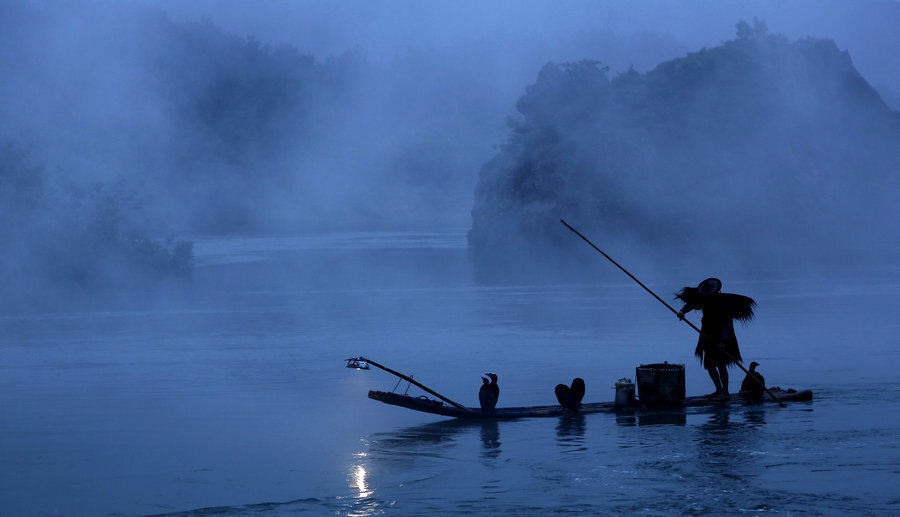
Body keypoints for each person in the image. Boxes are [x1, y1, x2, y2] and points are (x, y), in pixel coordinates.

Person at [676, 278, 756, 400]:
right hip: (707, 332)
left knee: (720, 363)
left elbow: (725, 324)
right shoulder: (703, 298)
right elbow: (692, 304)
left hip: (721, 335)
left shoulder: (722, 303)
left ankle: (725, 392)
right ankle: (718, 390)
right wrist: (682, 311)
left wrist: (723, 342)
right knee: (709, 364)